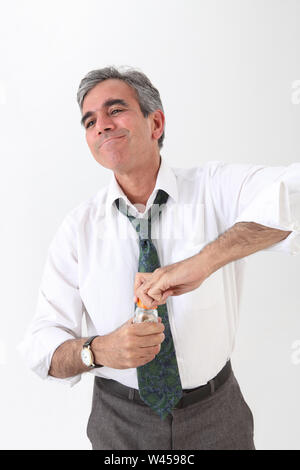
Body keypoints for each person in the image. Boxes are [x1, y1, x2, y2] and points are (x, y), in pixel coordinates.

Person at [19, 66, 300, 450]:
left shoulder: (214, 189)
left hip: (217, 414)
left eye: (115, 110)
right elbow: (40, 345)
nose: (101, 124)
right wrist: (97, 350)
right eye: (89, 120)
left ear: (156, 123)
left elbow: (293, 200)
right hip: (119, 422)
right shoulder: (77, 229)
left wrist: (205, 261)